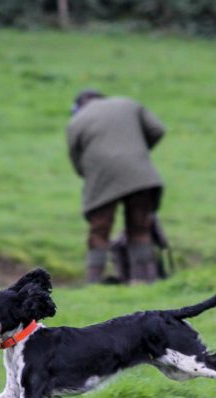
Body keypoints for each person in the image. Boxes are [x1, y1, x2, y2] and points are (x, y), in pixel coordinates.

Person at [66, 89, 165, 283]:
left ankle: (93, 282)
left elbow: (77, 161)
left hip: (102, 178)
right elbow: (157, 130)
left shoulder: (76, 121)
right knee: (139, 227)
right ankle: (143, 280)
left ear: (78, 107)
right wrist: (137, 152)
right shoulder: (129, 104)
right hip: (139, 174)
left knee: (99, 230)